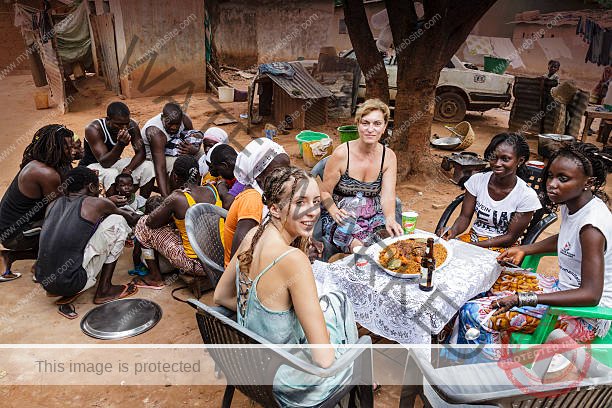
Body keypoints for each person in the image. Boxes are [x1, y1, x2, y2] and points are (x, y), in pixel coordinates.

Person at [214, 166, 358, 407]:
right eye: (300, 201)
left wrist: (269, 318)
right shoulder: (292, 259)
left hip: (256, 367)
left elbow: (220, 296)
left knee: (332, 305)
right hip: (288, 383)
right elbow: (323, 360)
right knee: (341, 307)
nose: (312, 211)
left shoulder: (253, 235)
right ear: (274, 209)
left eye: (315, 201)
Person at [455, 142, 611, 354]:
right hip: (564, 289)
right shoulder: (574, 203)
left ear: (588, 182)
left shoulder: (592, 227)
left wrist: (523, 298)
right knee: (486, 280)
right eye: (550, 176)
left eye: (563, 179)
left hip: (584, 315)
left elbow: (591, 295)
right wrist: (525, 249)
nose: (552, 184)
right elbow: (567, 239)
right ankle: (488, 347)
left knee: (474, 312)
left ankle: (485, 375)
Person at [35, 167, 139, 317]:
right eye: (98, 187)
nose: (99, 191)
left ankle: (68, 284)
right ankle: (104, 289)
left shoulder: (53, 204)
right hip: (71, 282)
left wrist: (106, 202)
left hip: (46, 281)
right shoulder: (96, 203)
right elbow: (132, 218)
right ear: (91, 187)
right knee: (118, 222)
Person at [320, 98, 402, 254]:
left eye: (377, 124)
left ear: (384, 127)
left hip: (373, 213)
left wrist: (390, 218)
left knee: (389, 244)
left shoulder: (388, 156)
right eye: (365, 123)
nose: (371, 129)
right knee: (359, 249)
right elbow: (324, 192)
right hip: (343, 214)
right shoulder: (342, 154)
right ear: (357, 124)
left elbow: (388, 196)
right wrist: (334, 211)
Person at [439, 133, 542, 251]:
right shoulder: (477, 181)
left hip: (504, 247)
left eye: (505, 159)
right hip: (473, 239)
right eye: (494, 157)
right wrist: (453, 231)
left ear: (520, 160)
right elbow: (464, 217)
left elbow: (510, 237)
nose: (497, 164)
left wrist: (473, 247)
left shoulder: (526, 196)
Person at [0, 125, 74, 282]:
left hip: (17, 226)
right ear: (55, 149)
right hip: (14, 234)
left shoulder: (46, 162)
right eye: (67, 149)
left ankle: (9, 256)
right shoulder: (45, 173)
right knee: (68, 225)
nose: (71, 151)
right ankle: (42, 267)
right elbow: (59, 211)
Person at [133, 155, 216, 288]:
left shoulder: (178, 198)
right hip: (219, 258)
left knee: (143, 224)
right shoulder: (214, 189)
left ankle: (155, 277)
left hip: (197, 265)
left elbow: (150, 223)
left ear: (175, 177)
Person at [224, 138, 290, 266]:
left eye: (288, 169)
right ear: (259, 175)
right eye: (278, 171)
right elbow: (239, 256)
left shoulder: (273, 194)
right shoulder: (253, 200)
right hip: (246, 272)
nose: (286, 176)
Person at [79, 101, 155, 197]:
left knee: (148, 166)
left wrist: (128, 169)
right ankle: (116, 206)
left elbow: (141, 153)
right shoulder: (94, 129)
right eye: (118, 125)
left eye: (126, 124)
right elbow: (104, 162)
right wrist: (120, 144)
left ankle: (142, 205)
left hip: (114, 162)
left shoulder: (131, 125)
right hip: (93, 165)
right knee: (112, 173)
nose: (124, 128)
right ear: (108, 119)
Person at [141, 102, 198, 197]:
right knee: (180, 164)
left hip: (175, 149)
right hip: (155, 156)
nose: (174, 127)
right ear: (163, 118)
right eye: (170, 123)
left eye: (177, 124)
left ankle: (197, 190)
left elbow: (193, 138)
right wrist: (165, 198)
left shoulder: (185, 119)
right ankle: (174, 195)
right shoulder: (155, 132)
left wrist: (194, 149)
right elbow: (160, 167)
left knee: (200, 155)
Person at [206, 144, 244, 209]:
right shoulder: (240, 165)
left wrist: (220, 185)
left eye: (218, 170)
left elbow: (228, 204)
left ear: (225, 166)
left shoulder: (243, 174)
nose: (219, 175)